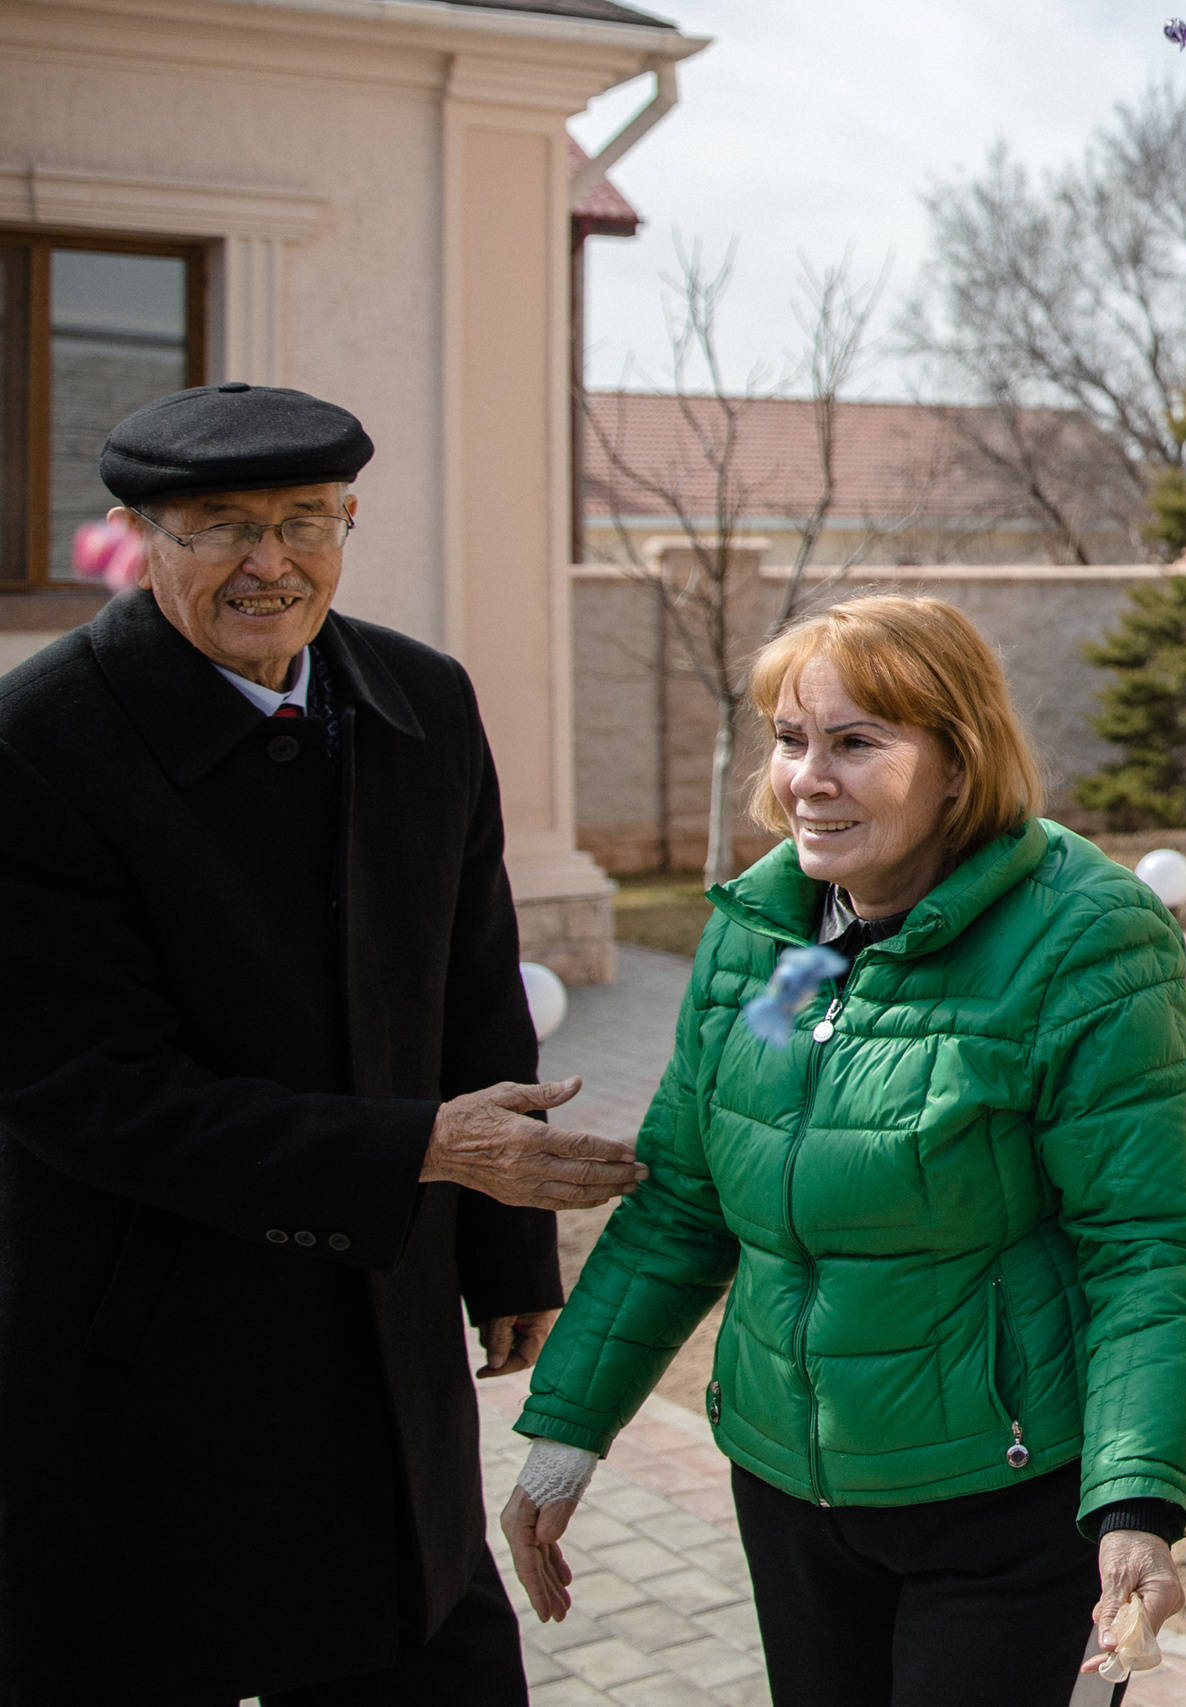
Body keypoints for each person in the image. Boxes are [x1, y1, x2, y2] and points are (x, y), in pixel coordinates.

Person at [0, 383, 649, 1704]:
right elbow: (81, 1086)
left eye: (308, 520)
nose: (273, 561)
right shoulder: (39, 743)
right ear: (138, 536)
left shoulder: (418, 699)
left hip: (374, 1333)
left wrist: (505, 1244)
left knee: (425, 1645)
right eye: (223, 526)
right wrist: (422, 1145)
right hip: (137, 1344)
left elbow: (476, 987)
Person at [503, 595, 1186, 1707]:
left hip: (996, 1500)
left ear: (956, 763)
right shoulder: (762, 932)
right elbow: (686, 1203)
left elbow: (1144, 1247)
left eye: (856, 742)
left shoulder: (1084, 936)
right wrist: (569, 1426)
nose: (807, 778)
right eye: (791, 740)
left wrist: (1135, 1508)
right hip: (787, 1487)